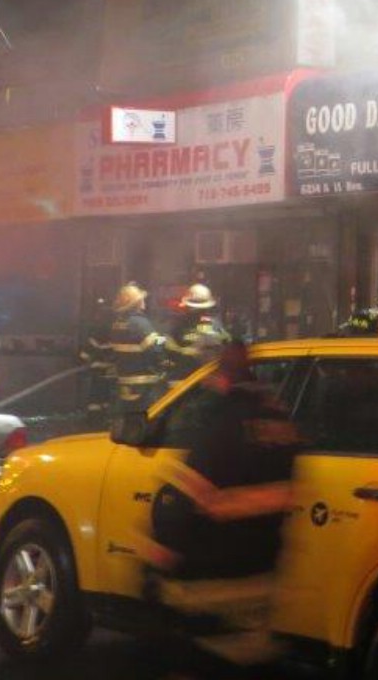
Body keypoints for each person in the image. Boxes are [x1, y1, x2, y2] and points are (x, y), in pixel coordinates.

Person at [138, 341, 301, 669]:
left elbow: (192, 491)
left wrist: (160, 552)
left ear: (222, 376)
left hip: (212, 575)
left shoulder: (221, 418)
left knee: (192, 659)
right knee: (248, 655)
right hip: (261, 573)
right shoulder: (279, 418)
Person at [104, 283, 171, 414]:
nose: (144, 301)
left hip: (125, 385)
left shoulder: (117, 324)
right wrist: (165, 339)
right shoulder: (139, 323)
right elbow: (155, 348)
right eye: (142, 299)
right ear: (137, 302)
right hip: (145, 387)